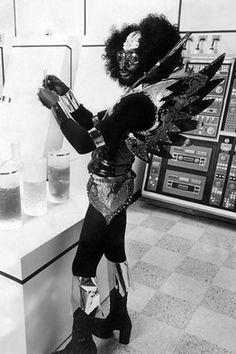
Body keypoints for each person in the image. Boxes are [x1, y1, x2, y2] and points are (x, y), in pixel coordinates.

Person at [38, 13, 223, 354]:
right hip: (119, 189)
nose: (124, 60)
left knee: (83, 266)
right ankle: (120, 318)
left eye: (134, 55)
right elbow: (98, 125)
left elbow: (84, 143)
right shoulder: (138, 95)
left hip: (106, 193)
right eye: (121, 54)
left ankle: (83, 340)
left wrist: (56, 109)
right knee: (116, 254)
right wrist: (68, 95)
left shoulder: (136, 102)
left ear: (153, 56)